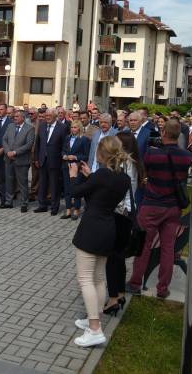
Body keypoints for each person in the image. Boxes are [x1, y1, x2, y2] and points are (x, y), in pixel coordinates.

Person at [69, 135, 130, 347]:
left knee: (85, 278)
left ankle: (95, 329)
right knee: (98, 278)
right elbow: (99, 195)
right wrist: (91, 176)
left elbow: (75, 192)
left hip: (92, 229)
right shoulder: (123, 178)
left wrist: (75, 175)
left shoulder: (101, 175)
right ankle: (93, 317)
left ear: (101, 154)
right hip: (108, 229)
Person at [127, 119, 192, 298]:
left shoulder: (151, 154)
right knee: (168, 248)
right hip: (173, 207)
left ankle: (135, 283)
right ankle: (163, 289)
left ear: (163, 133)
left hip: (151, 205)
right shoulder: (186, 156)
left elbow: (144, 172)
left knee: (144, 246)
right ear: (179, 135)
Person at [104, 131, 144, 316]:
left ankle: (113, 299)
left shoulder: (125, 164)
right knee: (118, 258)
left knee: (112, 259)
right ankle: (119, 294)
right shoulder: (134, 162)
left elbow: (118, 191)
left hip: (120, 213)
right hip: (126, 214)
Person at [1, 110, 35, 212]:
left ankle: (24, 203)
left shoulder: (30, 129)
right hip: (8, 159)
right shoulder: (10, 126)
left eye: (16, 116)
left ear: (23, 118)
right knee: (9, 181)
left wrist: (15, 152)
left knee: (22, 183)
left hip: (21, 160)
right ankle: (9, 201)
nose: (14, 118)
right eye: (14, 116)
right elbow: (4, 139)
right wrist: (7, 152)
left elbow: (29, 145)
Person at [34, 108, 66, 215]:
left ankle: (54, 207)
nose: (47, 117)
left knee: (54, 185)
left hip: (55, 161)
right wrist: (36, 158)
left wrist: (62, 160)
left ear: (55, 117)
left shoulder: (62, 127)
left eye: (49, 116)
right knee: (42, 184)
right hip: (42, 160)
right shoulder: (42, 125)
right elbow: (38, 143)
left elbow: (64, 146)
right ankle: (42, 205)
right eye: (46, 115)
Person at [61, 121, 90, 220]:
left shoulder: (84, 139)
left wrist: (75, 157)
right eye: (72, 127)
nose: (73, 129)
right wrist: (64, 155)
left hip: (77, 167)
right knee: (67, 188)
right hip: (66, 166)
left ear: (80, 128)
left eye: (75, 127)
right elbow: (63, 150)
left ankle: (77, 209)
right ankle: (68, 209)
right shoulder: (67, 138)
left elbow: (86, 155)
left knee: (76, 189)